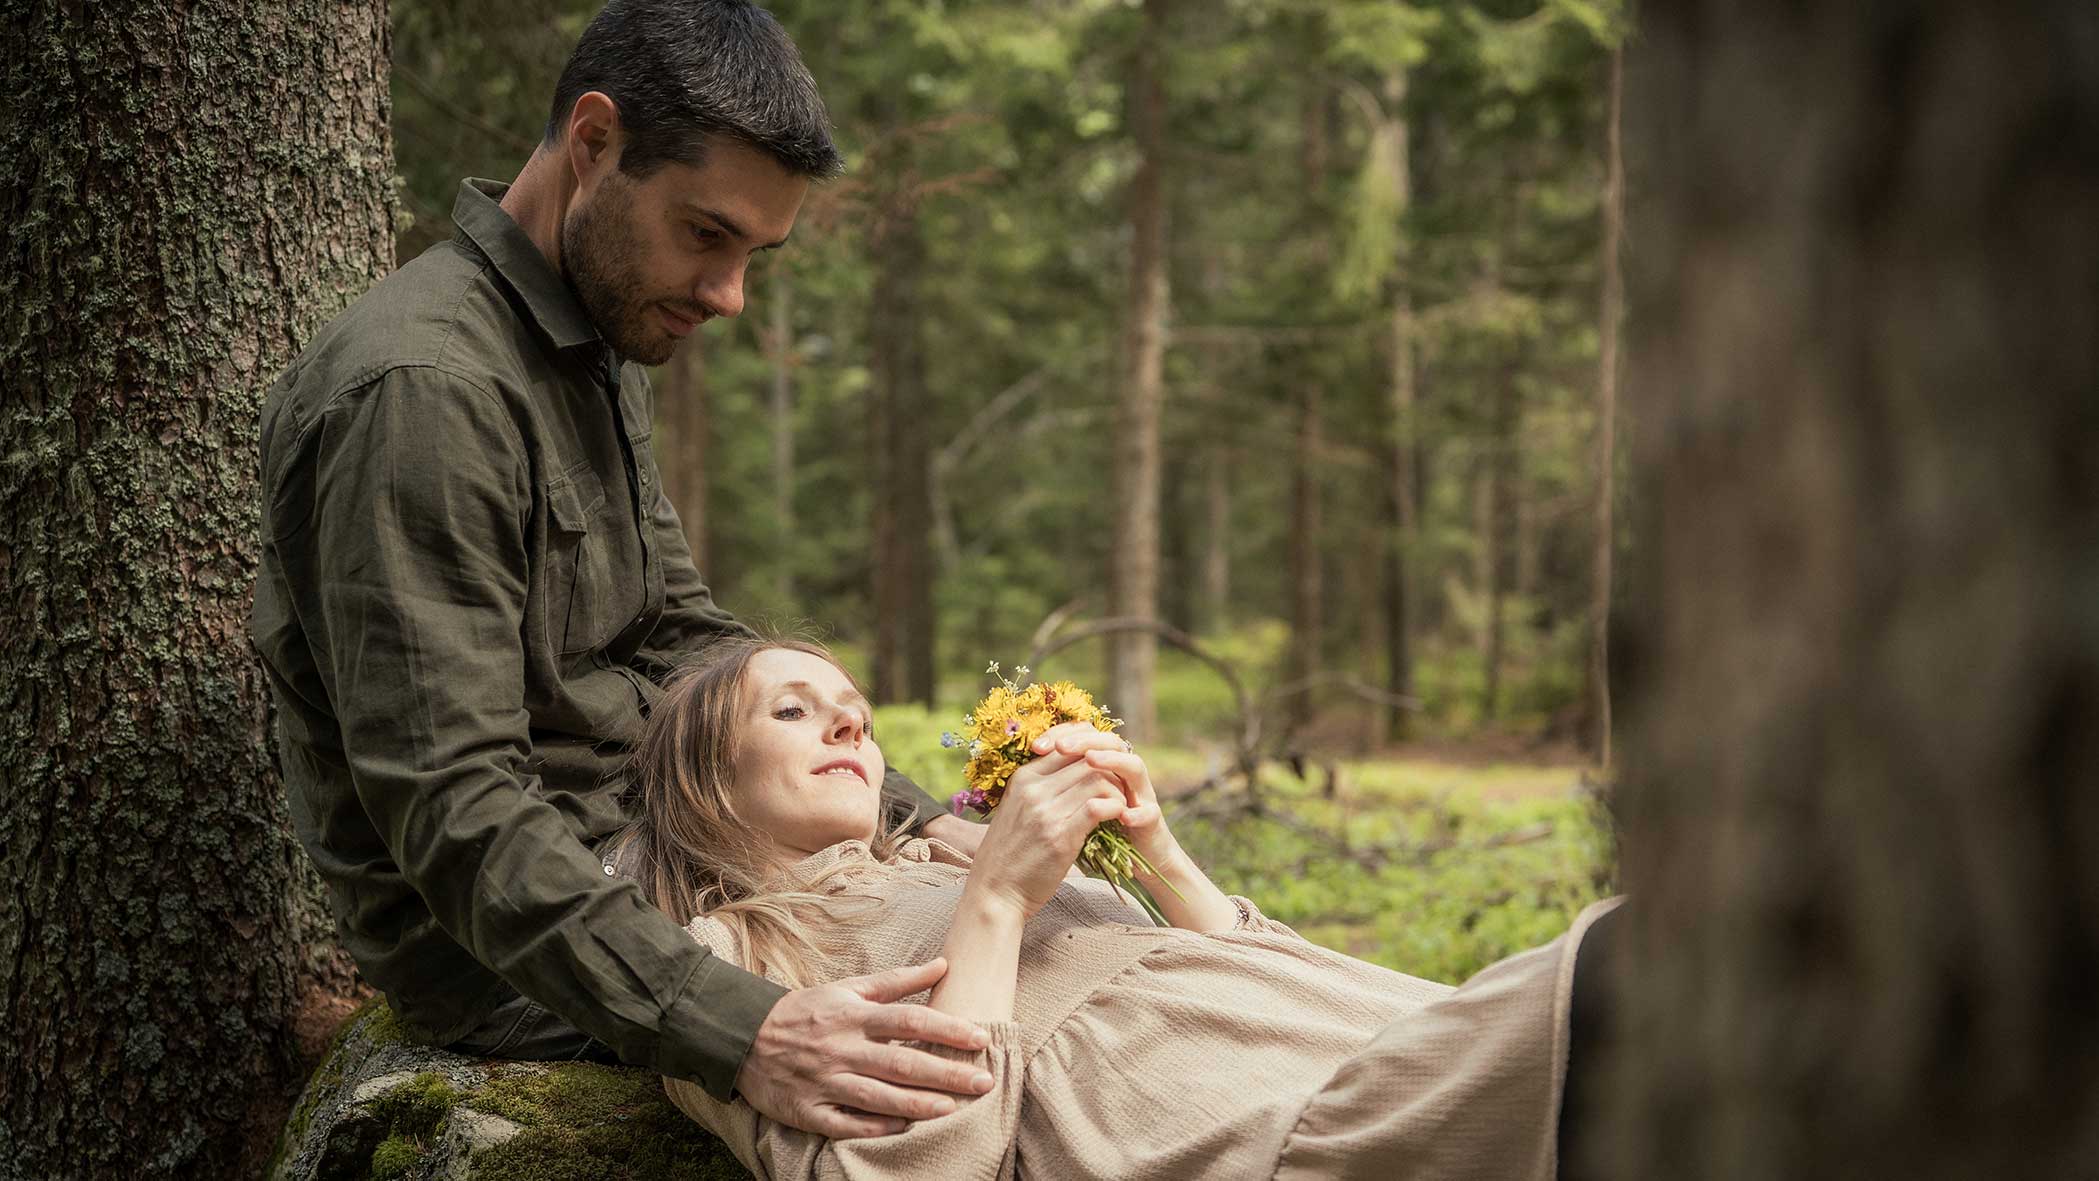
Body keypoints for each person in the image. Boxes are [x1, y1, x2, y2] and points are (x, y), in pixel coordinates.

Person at [248, 0, 1014, 1138]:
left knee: (1053, 916)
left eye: (752, 253)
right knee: (989, 1035)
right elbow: (454, 808)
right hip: (521, 946)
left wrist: (912, 815)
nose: (727, 295)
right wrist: (744, 1029)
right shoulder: (423, 392)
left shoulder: (589, 342)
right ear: (592, 143)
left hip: (671, 847)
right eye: (706, 234)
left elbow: (677, 633)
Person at [616, 637, 1623, 1180]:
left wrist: (1156, 853)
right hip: (1245, 1121)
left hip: (1344, 1024)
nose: (845, 719)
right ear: (704, 773)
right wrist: (998, 900)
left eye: (857, 715)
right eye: (791, 708)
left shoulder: (940, 846)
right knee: (1628, 990)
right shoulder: (710, 964)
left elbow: (1259, 967)